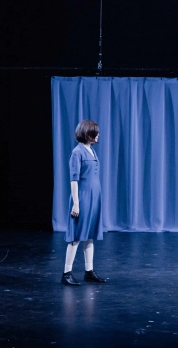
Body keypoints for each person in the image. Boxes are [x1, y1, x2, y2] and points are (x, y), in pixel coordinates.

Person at [62, 120, 107, 285]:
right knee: (76, 237)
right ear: (87, 133)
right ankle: (66, 273)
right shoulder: (77, 152)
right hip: (83, 197)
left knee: (89, 236)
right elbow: (74, 180)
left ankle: (89, 271)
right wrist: (76, 203)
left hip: (94, 197)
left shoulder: (92, 151)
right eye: (95, 132)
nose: (98, 135)